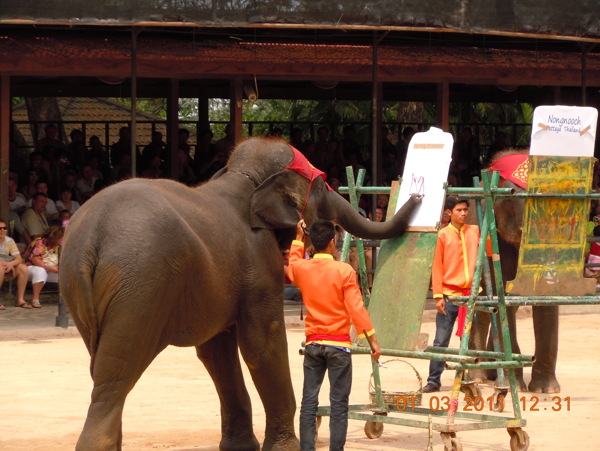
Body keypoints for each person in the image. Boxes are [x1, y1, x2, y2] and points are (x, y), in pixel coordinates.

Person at [286, 219, 381, 450]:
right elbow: (356, 309)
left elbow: (293, 263)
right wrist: (373, 341)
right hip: (338, 345)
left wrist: (298, 238)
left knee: (309, 402)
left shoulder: (301, 269)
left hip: (313, 344)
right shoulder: (344, 270)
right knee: (339, 404)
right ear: (332, 242)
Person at [422, 195, 480, 393]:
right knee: (441, 340)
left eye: (465, 210)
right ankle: (433, 380)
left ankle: (465, 379)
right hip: (449, 295)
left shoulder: (475, 231)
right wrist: (438, 296)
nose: (463, 213)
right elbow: (436, 267)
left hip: (470, 295)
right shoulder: (443, 235)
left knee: (468, 340)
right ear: (449, 212)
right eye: (459, 210)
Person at [23, 225, 63, 308]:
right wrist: (51, 268)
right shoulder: (40, 242)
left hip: (50, 269)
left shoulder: (59, 246)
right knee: (40, 271)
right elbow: (36, 261)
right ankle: (35, 299)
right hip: (31, 268)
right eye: (61, 237)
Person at [0, 218, 31, 310]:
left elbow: (18, 258)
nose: (2, 230)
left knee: (23, 268)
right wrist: (6, 264)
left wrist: (11, 264)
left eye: (4, 228)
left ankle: (20, 299)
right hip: (2, 266)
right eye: (0, 228)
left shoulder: (9, 241)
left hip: (5, 266)